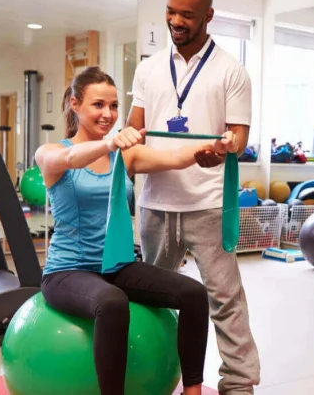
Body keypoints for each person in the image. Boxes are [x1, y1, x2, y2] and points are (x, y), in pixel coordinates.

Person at [35, 66, 237, 395]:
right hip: (66, 271)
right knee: (112, 302)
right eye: (98, 105)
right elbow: (71, 157)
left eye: (114, 106)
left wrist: (217, 143)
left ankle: (193, 390)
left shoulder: (125, 155)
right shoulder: (50, 153)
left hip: (116, 266)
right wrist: (109, 143)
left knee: (194, 294)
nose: (108, 114)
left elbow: (176, 157)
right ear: (75, 104)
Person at [126, 0, 260, 394]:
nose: (176, 21)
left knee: (226, 301)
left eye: (187, 14)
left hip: (208, 205)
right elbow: (134, 129)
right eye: (171, 11)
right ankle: (151, 377)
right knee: (152, 300)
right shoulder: (149, 68)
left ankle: (239, 384)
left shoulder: (231, 71)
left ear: (209, 16)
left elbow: (238, 137)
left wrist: (224, 148)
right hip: (156, 205)